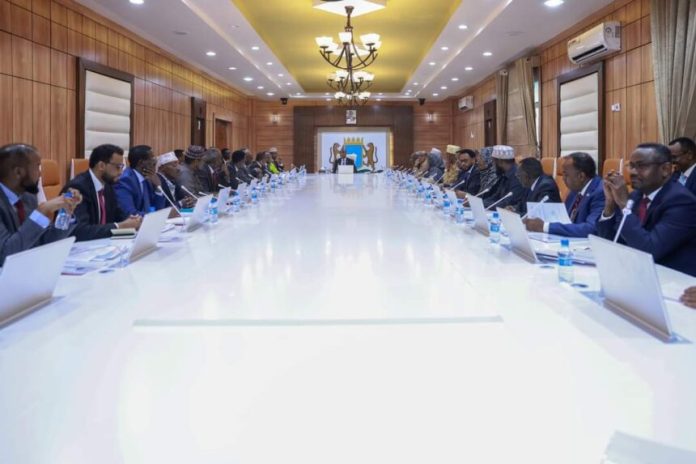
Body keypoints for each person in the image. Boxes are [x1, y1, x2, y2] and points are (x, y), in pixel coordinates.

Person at [597, 143, 696, 276]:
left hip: (675, 279)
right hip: (640, 272)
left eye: (641, 166)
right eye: (631, 166)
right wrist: (610, 204)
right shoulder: (636, 196)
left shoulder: (682, 201)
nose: (632, 172)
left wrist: (624, 204)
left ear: (665, 169)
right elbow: (610, 241)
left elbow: (649, 250)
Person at [0, 143, 82, 264]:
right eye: (37, 167)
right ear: (18, 172)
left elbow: (43, 241)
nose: (40, 174)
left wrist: (66, 213)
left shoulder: (28, 197)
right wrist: (42, 212)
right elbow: (5, 254)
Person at [63, 144, 142, 241]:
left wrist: (133, 220)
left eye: (122, 167)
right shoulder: (77, 188)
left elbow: (118, 214)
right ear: (101, 166)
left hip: (102, 244)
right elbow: (79, 231)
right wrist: (118, 226)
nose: (121, 172)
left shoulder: (108, 185)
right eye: (118, 167)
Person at [524, 152, 604, 237]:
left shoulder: (600, 192)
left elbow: (591, 229)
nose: (563, 178)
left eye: (566, 174)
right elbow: (564, 218)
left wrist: (545, 226)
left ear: (581, 176)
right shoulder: (575, 189)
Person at [114, 145, 167, 216]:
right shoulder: (125, 180)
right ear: (141, 162)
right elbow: (130, 214)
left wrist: (158, 187)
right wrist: (153, 217)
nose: (155, 161)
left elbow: (158, 208)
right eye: (152, 158)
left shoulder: (148, 179)